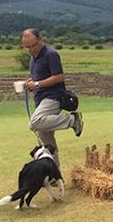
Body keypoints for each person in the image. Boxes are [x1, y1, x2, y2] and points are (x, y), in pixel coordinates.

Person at [22, 28, 83, 167]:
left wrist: (36, 84)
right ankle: (55, 176)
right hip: (40, 99)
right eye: (27, 47)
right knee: (47, 143)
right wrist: (30, 82)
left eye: (33, 45)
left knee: (34, 122)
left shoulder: (51, 54)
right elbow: (41, 77)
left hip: (53, 97)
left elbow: (59, 77)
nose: (31, 49)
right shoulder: (33, 59)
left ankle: (73, 119)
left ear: (40, 40)